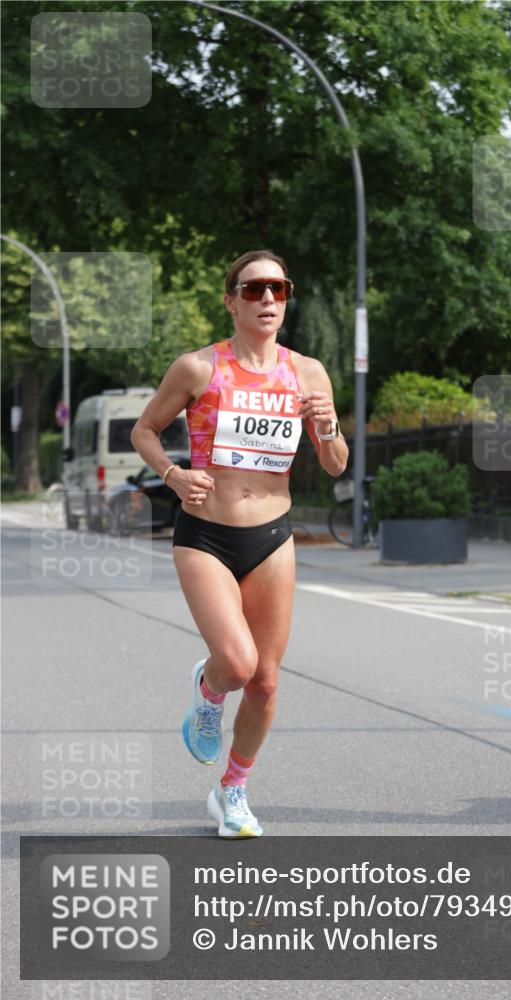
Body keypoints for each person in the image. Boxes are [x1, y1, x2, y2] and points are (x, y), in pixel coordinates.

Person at [130, 250, 349, 836]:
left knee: (267, 680)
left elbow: (334, 464)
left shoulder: (308, 373)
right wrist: (174, 476)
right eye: (254, 290)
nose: (268, 301)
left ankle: (232, 790)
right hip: (205, 534)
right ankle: (208, 690)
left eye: (278, 289)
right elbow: (143, 429)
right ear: (231, 301)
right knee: (236, 661)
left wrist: (326, 424)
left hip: (273, 536)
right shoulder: (198, 368)